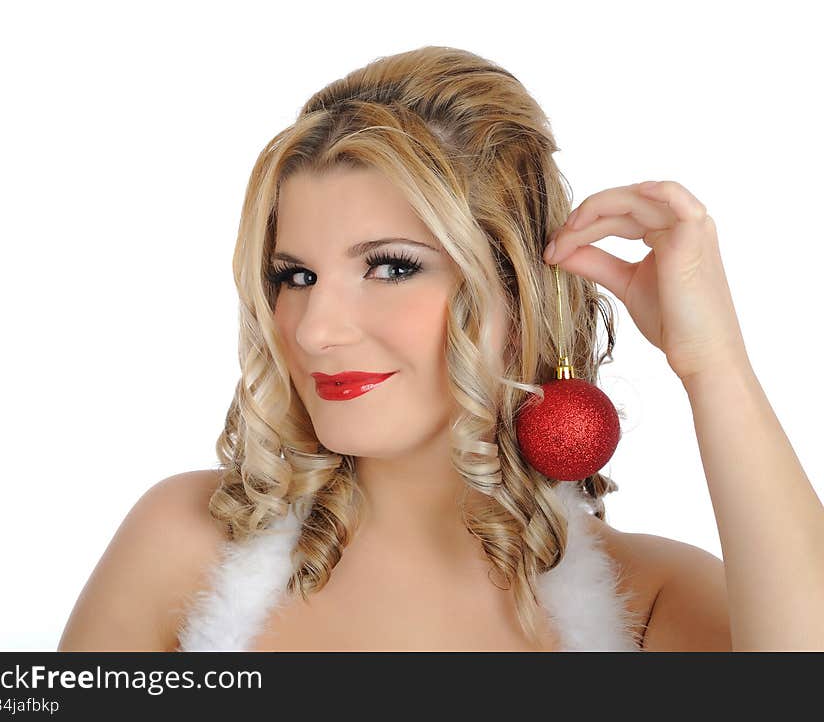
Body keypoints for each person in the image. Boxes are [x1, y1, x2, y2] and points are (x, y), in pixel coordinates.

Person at [58, 45, 823, 652]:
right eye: (294, 275)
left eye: (391, 267)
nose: (315, 328)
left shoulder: (648, 606)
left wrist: (713, 365)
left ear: (519, 297)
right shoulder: (183, 547)